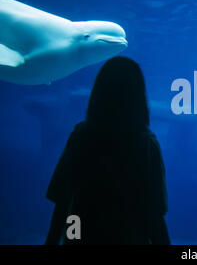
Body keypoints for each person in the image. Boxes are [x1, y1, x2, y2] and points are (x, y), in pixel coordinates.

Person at [45, 56, 170, 245]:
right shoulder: (146, 145)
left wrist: (55, 241)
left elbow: (62, 201)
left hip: (81, 237)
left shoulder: (81, 136)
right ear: (139, 98)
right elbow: (154, 214)